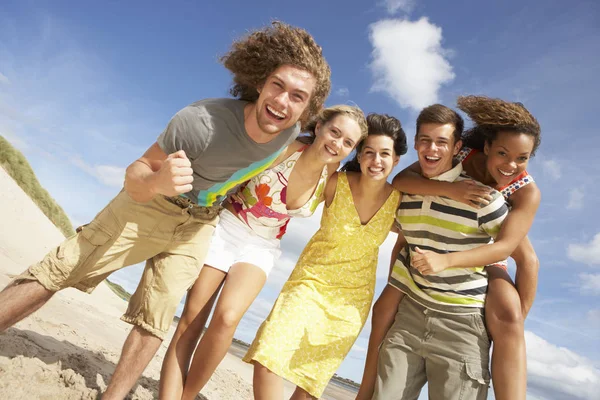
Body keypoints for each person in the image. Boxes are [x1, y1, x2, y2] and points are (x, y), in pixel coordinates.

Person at [0, 21, 331, 400]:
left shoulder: (290, 135)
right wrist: (158, 183)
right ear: (260, 82)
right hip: (150, 205)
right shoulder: (200, 122)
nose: (283, 102)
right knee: (59, 270)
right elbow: (136, 172)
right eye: (278, 86)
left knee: (155, 318)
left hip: (200, 224)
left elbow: (335, 149)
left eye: (297, 96)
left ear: (308, 109)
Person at [158, 105, 368, 400]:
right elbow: (233, 171)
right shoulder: (285, 149)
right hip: (228, 224)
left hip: (263, 245)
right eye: (335, 132)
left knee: (228, 318)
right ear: (319, 127)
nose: (337, 144)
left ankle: (186, 396)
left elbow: (371, 192)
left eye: (348, 142)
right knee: (193, 316)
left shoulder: (331, 175)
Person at [359, 97, 541, 400]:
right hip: (434, 240)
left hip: (492, 251)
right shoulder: (460, 157)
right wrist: (450, 190)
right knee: (386, 304)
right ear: (485, 147)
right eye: (502, 153)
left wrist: (499, 327)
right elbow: (405, 180)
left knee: (509, 315)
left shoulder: (525, 190)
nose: (510, 165)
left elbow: (518, 254)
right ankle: (365, 392)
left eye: (521, 158)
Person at [243, 113, 408, 400]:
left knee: (308, 382)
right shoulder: (336, 181)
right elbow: (298, 180)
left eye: (385, 154)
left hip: (351, 303)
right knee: (268, 355)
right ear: (359, 154)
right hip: (309, 282)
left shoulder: (399, 203)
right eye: (369, 152)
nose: (376, 161)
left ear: (396, 161)